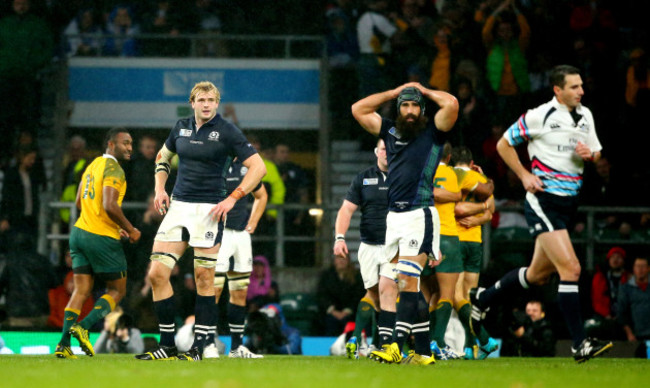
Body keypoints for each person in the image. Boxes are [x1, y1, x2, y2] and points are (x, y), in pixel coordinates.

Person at [470, 65, 612, 363]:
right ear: (557, 90)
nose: (581, 91)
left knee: (536, 275)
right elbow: (503, 143)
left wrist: (591, 155)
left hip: (568, 204)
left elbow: (597, 152)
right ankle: (579, 344)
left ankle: (482, 299)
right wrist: (523, 175)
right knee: (571, 269)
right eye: (574, 87)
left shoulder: (586, 115)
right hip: (542, 201)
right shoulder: (540, 115)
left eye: (581, 86)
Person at [135, 81, 266, 362]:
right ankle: (167, 345)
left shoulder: (228, 130)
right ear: (192, 102)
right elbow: (162, 156)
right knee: (157, 274)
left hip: (209, 209)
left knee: (204, 278)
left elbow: (259, 167)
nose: (206, 104)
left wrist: (233, 197)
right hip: (179, 206)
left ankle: (199, 346)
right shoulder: (180, 126)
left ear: (217, 104)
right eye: (201, 99)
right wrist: (160, 188)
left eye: (211, 100)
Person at [352, 82, 458, 365]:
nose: (409, 111)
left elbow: (452, 104)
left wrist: (424, 90)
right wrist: (393, 92)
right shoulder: (390, 131)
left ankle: (395, 345)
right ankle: (423, 353)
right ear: (399, 109)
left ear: (422, 109)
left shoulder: (433, 131)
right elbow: (358, 109)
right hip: (394, 218)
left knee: (407, 279)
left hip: (419, 214)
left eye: (414, 106)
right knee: (395, 283)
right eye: (405, 106)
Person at [54, 127, 142, 359]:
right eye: (125, 143)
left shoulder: (91, 166)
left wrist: (113, 224)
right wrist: (130, 228)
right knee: (117, 289)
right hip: (100, 236)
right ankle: (84, 326)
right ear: (111, 145)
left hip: (79, 233)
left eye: (131, 143)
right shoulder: (115, 169)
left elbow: (78, 202)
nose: (130, 147)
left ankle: (63, 344)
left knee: (82, 290)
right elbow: (110, 205)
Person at [334, 138, 398, 359]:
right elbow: (346, 210)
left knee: (387, 291)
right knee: (374, 295)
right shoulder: (363, 178)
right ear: (376, 152)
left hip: (395, 247)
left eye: (391, 150)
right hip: (368, 247)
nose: (387, 153)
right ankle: (376, 342)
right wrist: (339, 238)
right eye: (383, 149)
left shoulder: (404, 176)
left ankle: (388, 345)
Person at [211, 157, 268, 359]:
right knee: (214, 291)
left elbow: (261, 196)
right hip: (219, 233)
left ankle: (236, 347)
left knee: (239, 293)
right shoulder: (213, 165)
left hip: (241, 236)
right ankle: (208, 344)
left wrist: (252, 222)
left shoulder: (246, 169)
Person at [452, 146, 498, 360]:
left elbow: (456, 208)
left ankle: (484, 339)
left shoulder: (453, 176)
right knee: (469, 297)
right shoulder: (480, 179)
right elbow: (491, 209)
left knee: (455, 296)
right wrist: (479, 217)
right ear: (472, 163)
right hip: (475, 241)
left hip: (457, 239)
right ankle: (471, 349)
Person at [423, 142, 463, 361]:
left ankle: (421, 340)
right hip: (446, 234)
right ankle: (436, 342)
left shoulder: (421, 170)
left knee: (429, 294)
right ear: (449, 158)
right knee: (447, 294)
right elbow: (482, 190)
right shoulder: (453, 172)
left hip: (422, 234)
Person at [316, 253, 364, 336]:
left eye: (344, 259)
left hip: (351, 313)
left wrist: (347, 311)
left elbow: (358, 296)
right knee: (328, 322)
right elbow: (322, 295)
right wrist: (333, 311)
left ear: (348, 261)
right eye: (339, 258)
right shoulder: (326, 276)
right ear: (334, 261)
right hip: (331, 313)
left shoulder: (356, 276)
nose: (341, 261)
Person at [590, 246, 629, 340]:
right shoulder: (600, 277)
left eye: (619, 257)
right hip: (604, 316)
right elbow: (597, 299)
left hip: (624, 315)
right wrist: (607, 315)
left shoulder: (629, 277)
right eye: (613, 257)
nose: (615, 260)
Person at [617, 257, 650, 358]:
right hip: (636, 335)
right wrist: (629, 333)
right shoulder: (625, 288)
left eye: (643, 266)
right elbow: (622, 312)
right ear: (633, 269)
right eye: (638, 266)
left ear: (648, 268)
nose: (640, 270)